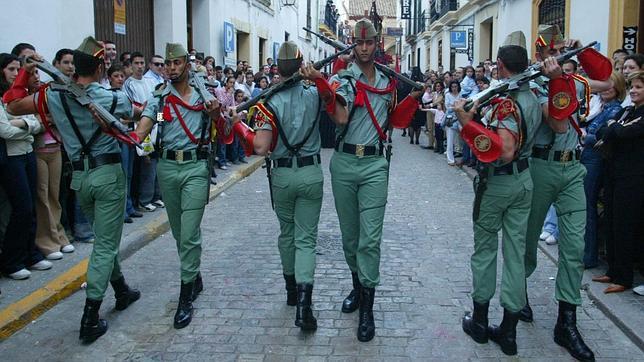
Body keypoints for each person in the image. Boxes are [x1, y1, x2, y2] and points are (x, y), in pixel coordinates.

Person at [3, 36, 141, 343]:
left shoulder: (52, 94)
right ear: (101, 67)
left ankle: (121, 290)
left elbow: (12, 105)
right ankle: (90, 317)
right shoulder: (107, 98)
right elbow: (139, 112)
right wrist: (156, 114)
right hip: (107, 175)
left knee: (104, 239)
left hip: (79, 177)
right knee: (105, 245)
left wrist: (26, 72)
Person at [323, 18, 422, 342]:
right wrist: (324, 86)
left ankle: (367, 308)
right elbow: (338, 115)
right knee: (350, 239)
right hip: (344, 163)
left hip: (375, 165)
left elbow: (394, 119)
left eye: (369, 42)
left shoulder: (388, 80)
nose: (364, 48)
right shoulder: (342, 78)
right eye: (359, 42)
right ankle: (356, 286)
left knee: (370, 240)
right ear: (352, 42)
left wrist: (413, 98)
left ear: (378, 42)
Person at [521, 24, 613, 362]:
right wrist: (559, 78)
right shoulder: (532, 84)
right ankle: (519, 294)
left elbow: (609, 83)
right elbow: (558, 123)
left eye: (562, 49)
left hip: (573, 168)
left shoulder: (574, 80)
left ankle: (566, 321)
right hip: (541, 167)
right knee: (527, 240)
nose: (558, 55)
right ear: (540, 54)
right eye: (552, 50)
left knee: (573, 247)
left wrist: (585, 54)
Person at [456, 33, 542, 357]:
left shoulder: (507, 102)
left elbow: (503, 150)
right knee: (516, 255)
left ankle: (480, 322)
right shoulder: (532, 97)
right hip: (524, 179)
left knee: (486, 252)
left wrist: (467, 123)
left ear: (502, 67)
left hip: (500, 183)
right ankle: (508, 332)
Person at [236, 41, 326, 332]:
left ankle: (291, 291)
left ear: (277, 67)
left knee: (287, 233)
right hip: (311, 171)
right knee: (306, 239)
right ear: (300, 65)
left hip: (283, 176)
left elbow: (260, 146)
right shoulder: (313, 94)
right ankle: (305, 303)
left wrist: (240, 127)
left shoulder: (267, 102)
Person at [135, 42, 220, 330]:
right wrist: (141, 130)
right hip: (167, 167)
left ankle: (185, 297)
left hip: (195, 167)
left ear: (186, 64)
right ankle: (194, 274)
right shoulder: (160, 97)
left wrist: (216, 111)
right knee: (179, 231)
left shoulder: (204, 93)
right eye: (167, 64)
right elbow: (152, 121)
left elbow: (221, 124)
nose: (171, 68)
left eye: (176, 63)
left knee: (189, 233)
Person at [0, 53, 52, 278]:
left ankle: (31, 253)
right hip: (11, 157)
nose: (16, 74)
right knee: (21, 208)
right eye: (11, 69)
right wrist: (30, 124)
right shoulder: (8, 98)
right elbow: (6, 130)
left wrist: (25, 123)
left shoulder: (22, 96)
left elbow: (40, 122)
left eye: (18, 69)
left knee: (32, 206)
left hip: (28, 152)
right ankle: (12, 261)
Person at [592, 70, 644, 293]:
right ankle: (613, 270)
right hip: (614, 171)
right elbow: (603, 130)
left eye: (639, 87)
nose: (633, 90)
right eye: (632, 87)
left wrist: (614, 127)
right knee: (612, 221)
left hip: (633, 176)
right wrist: (614, 126)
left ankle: (624, 277)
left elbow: (622, 133)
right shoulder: (629, 110)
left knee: (624, 225)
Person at [581, 72, 625, 269]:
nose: (607, 89)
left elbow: (598, 138)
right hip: (587, 157)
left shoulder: (615, 109)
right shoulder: (599, 106)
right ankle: (586, 253)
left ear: (618, 89)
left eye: (611, 86)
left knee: (588, 206)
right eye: (604, 85)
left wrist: (585, 135)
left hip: (596, 160)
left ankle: (588, 256)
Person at [444, 80, 461, 165]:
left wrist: (454, 106)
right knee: (450, 140)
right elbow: (448, 107)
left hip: (460, 118)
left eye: (456, 86)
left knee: (461, 139)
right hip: (451, 119)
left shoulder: (461, 94)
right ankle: (450, 159)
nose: (454, 88)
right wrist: (457, 107)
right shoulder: (448, 95)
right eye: (452, 87)